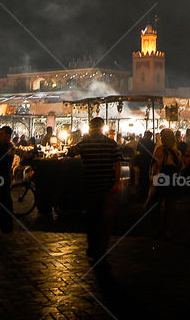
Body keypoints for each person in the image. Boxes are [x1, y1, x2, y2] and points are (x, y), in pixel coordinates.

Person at [66, 117, 121, 273]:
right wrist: (116, 182)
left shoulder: (85, 144)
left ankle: (92, 248)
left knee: (91, 220)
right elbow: (117, 163)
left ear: (90, 128)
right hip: (107, 188)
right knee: (104, 223)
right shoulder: (111, 144)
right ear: (103, 128)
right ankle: (100, 252)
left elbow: (70, 152)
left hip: (90, 187)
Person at [146, 128, 184, 238]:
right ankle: (167, 229)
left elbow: (154, 164)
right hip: (171, 179)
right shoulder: (176, 151)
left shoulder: (161, 150)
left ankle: (158, 228)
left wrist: (152, 177)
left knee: (158, 204)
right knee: (169, 205)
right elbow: (181, 165)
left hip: (161, 178)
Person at [135, 131, 155, 201]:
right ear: (151, 136)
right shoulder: (152, 144)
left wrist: (136, 162)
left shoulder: (141, 143)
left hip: (142, 163)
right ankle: (147, 195)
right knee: (148, 179)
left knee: (142, 178)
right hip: (149, 163)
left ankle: (141, 195)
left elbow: (137, 153)